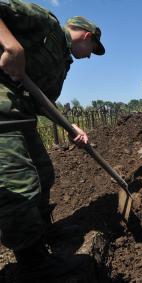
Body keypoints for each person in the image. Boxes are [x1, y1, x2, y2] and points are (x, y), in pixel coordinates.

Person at [0, 0, 105, 280]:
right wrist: (11, 45)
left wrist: (70, 126)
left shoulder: (62, 61)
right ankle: (33, 266)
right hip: (2, 108)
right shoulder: (44, 23)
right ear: (86, 36)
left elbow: (42, 101)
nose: (89, 56)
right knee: (19, 184)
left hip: (21, 114)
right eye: (92, 51)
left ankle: (42, 233)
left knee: (44, 174)